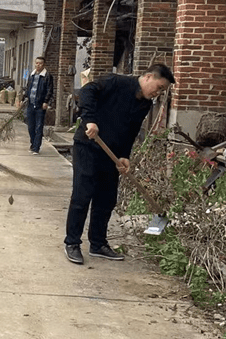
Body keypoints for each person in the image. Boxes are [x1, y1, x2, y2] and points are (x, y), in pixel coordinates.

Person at [64, 63, 175, 265]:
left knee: (106, 199)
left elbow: (131, 130)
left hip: (112, 154)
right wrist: (89, 120)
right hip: (88, 146)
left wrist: (125, 155)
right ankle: (72, 243)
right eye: (158, 87)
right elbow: (88, 90)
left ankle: (97, 244)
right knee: (82, 195)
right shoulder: (116, 82)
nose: (158, 93)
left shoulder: (145, 105)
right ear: (148, 76)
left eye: (162, 91)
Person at [22, 57, 54, 153]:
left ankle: (36, 148)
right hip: (31, 104)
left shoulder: (47, 76)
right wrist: (22, 99)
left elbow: (50, 90)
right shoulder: (32, 75)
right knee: (30, 126)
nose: (38, 65)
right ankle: (32, 144)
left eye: (40, 63)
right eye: (36, 63)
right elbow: (28, 88)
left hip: (40, 105)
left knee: (39, 126)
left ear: (43, 65)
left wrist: (46, 101)